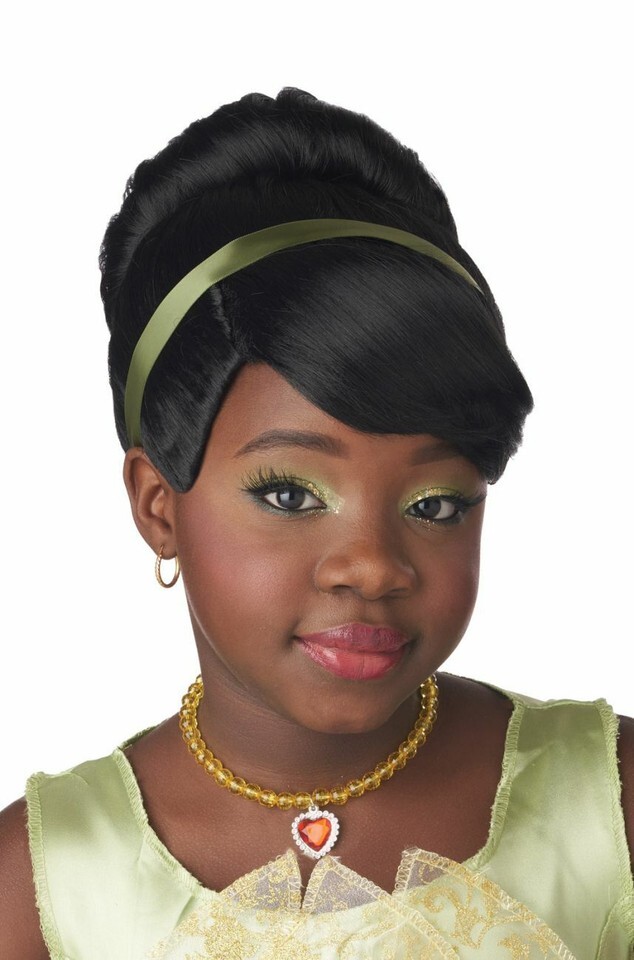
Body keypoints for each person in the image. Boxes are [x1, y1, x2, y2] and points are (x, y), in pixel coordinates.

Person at [0, 86, 632, 960]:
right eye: (290, 495)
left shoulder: (610, 812)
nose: (371, 565)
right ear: (158, 505)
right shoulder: (43, 887)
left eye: (435, 505)